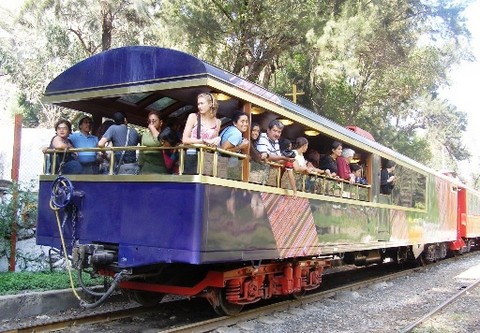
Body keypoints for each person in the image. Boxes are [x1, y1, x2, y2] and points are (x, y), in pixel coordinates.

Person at [181, 93, 222, 174]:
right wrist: (203, 141)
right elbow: (185, 139)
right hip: (192, 154)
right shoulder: (193, 117)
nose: (199, 106)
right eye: (198, 104)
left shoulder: (218, 122)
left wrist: (216, 141)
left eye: (202, 103)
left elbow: (212, 143)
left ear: (210, 104)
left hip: (208, 156)